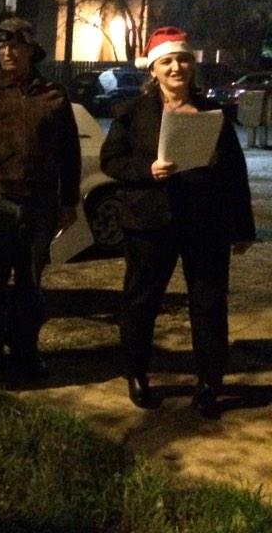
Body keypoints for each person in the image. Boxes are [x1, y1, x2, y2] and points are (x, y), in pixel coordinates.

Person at [100, 27, 254, 418]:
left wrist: (242, 227)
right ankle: (136, 372)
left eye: (182, 59)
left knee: (208, 304)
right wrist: (147, 169)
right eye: (167, 61)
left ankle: (208, 385)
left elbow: (235, 173)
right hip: (150, 222)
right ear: (154, 69)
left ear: (192, 66)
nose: (176, 67)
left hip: (206, 225)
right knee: (141, 301)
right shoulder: (133, 114)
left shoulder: (210, 114)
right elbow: (111, 161)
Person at [0, 18, 80, 378]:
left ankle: (25, 350)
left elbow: (69, 152)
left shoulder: (53, 95)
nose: (6, 52)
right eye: (1, 47)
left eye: (14, 45)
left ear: (30, 50)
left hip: (40, 204)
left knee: (30, 284)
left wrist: (68, 202)